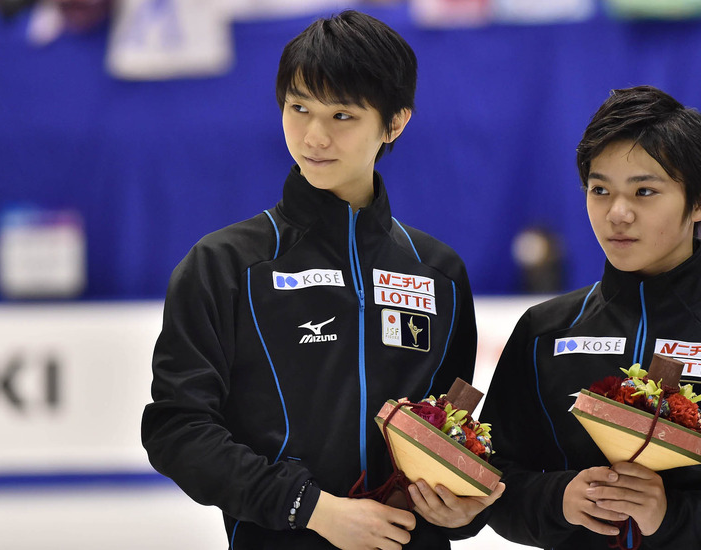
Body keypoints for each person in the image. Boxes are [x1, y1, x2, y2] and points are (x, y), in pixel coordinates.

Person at [141, 10, 502, 550]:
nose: (314, 136)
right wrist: (309, 509)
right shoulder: (224, 265)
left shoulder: (438, 273)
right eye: (299, 107)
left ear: (395, 122)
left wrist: (460, 510)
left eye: (342, 116)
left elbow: (448, 433)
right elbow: (177, 430)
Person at [480, 86, 701, 549]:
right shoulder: (543, 332)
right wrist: (559, 498)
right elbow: (494, 482)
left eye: (645, 191)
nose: (617, 213)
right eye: (600, 190)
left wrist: (671, 515)